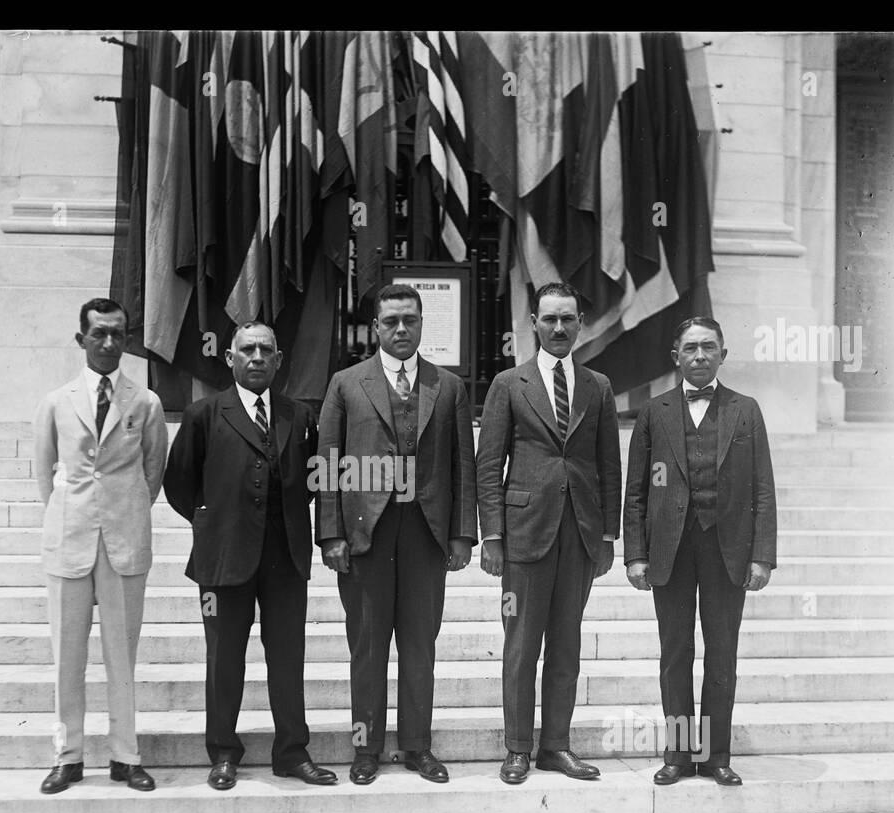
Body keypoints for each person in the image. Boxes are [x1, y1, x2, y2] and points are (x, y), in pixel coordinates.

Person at [163, 322, 337, 791]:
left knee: (288, 657)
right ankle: (223, 753)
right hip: (224, 559)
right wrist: (212, 522)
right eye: (247, 350)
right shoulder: (204, 414)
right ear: (229, 357)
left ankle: (292, 752)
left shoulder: (299, 416)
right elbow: (179, 483)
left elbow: (314, 480)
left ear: (279, 360)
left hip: (284, 557)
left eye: (266, 350)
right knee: (224, 658)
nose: (257, 357)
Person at [316, 284, 477, 785]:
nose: (400, 329)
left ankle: (417, 747)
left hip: (425, 534)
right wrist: (331, 535)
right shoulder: (346, 383)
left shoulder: (446, 387)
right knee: (367, 646)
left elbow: (462, 466)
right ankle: (366, 749)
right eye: (390, 321)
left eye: (409, 319)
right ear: (375, 327)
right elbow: (327, 462)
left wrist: (460, 536)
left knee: (419, 645)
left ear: (423, 323)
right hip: (367, 534)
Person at [476, 281, 622, 785]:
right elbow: (488, 464)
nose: (558, 328)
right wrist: (491, 536)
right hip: (523, 535)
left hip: (579, 535)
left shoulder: (598, 386)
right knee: (521, 644)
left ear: (580, 325)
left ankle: (555, 746)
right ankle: (518, 747)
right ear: (533, 324)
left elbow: (608, 465)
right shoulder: (508, 384)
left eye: (568, 319)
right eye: (549, 319)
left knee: (567, 644)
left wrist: (607, 537)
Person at [623, 317, 777, 786]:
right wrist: (635, 554)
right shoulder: (654, 412)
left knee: (722, 653)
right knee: (674, 653)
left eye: (709, 348)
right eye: (690, 348)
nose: (699, 356)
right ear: (676, 357)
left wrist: (761, 556)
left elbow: (763, 489)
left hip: (727, 549)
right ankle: (676, 755)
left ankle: (715, 757)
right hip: (670, 549)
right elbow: (636, 493)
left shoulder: (746, 410)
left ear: (723, 355)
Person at [34, 298, 168, 794]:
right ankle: (67, 756)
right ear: (81, 340)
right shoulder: (56, 401)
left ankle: (125, 755)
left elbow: (152, 471)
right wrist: (71, 515)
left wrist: (125, 507)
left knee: (122, 655)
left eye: (117, 334)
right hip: (69, 540)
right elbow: (45, 472)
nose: (109, 343)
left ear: (128, 340)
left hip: (124, 542)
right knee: (67, 655)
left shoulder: (145, 401)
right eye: (99, 334)